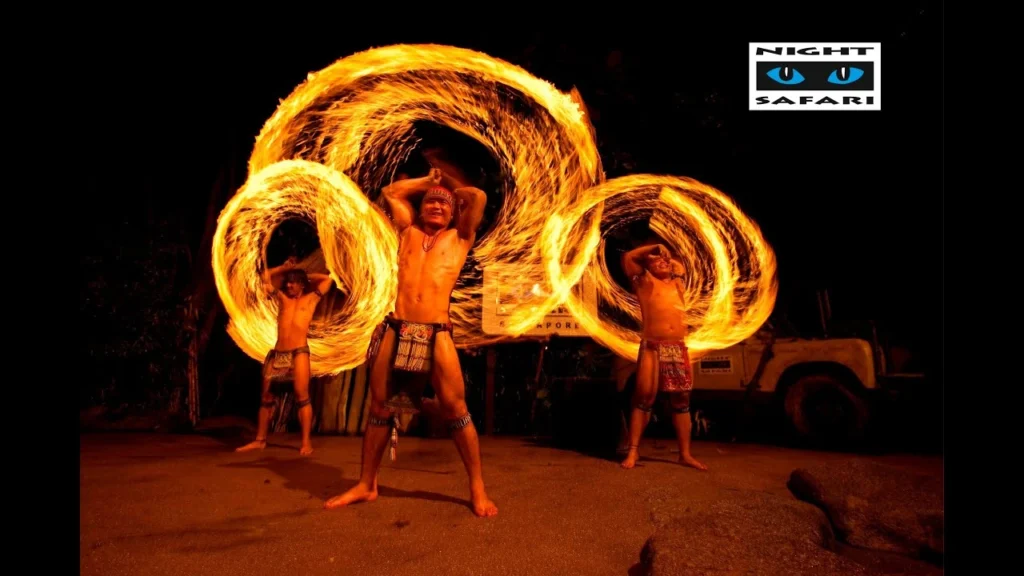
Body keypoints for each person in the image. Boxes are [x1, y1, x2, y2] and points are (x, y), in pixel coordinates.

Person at [325, 167, 498, 517]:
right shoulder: (407, 232)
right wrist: (426, 183)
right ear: (420, 208)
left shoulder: (460, 237)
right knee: (380, 408)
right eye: (430, 202)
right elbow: (391, 192)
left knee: (456, 409)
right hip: (398, 327)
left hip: (437, 332)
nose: (436, 206)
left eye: (444, 204)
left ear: (453, 212)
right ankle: (367, 484)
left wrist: (447, 185)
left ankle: (477, 488)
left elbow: (477, 197)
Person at [619, 243, 707, 471]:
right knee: (644, 397)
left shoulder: (679, 282)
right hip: (652, 346)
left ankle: (685, 454)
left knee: (681, 400)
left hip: (677, 347)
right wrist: (655, 247)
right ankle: (633, 451)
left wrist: (667, 255)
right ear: (647, 267)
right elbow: (629, 258)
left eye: (665, 259)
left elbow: (685, 263)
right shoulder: (644, 282)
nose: (663, 261)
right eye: (656, 260)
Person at [236, 256, 334, 456]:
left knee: (302, 397)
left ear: (302, 285)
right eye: (288, 282)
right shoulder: (281, 298)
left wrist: (303, 272)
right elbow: (264, 278)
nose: (288, 285)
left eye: (293, 282)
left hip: (299, 353)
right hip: (278, 354)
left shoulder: (311, 298)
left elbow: (328, 280)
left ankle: (306, 442)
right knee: (266, 397)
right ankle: (260, 440)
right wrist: (283, 267)